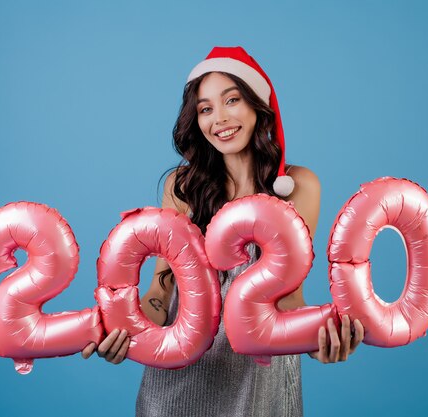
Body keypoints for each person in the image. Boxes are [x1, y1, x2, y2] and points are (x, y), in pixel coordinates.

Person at [82, 46, 364, 416]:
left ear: (257, 105)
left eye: (232, 100)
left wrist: (320, 341)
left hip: (260, 384)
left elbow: (289, 296)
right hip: (180, 381)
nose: (220, 118)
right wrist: (122, 334)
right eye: (205, 108)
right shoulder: (181, 187)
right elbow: (160, 294)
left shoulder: (298, 186)